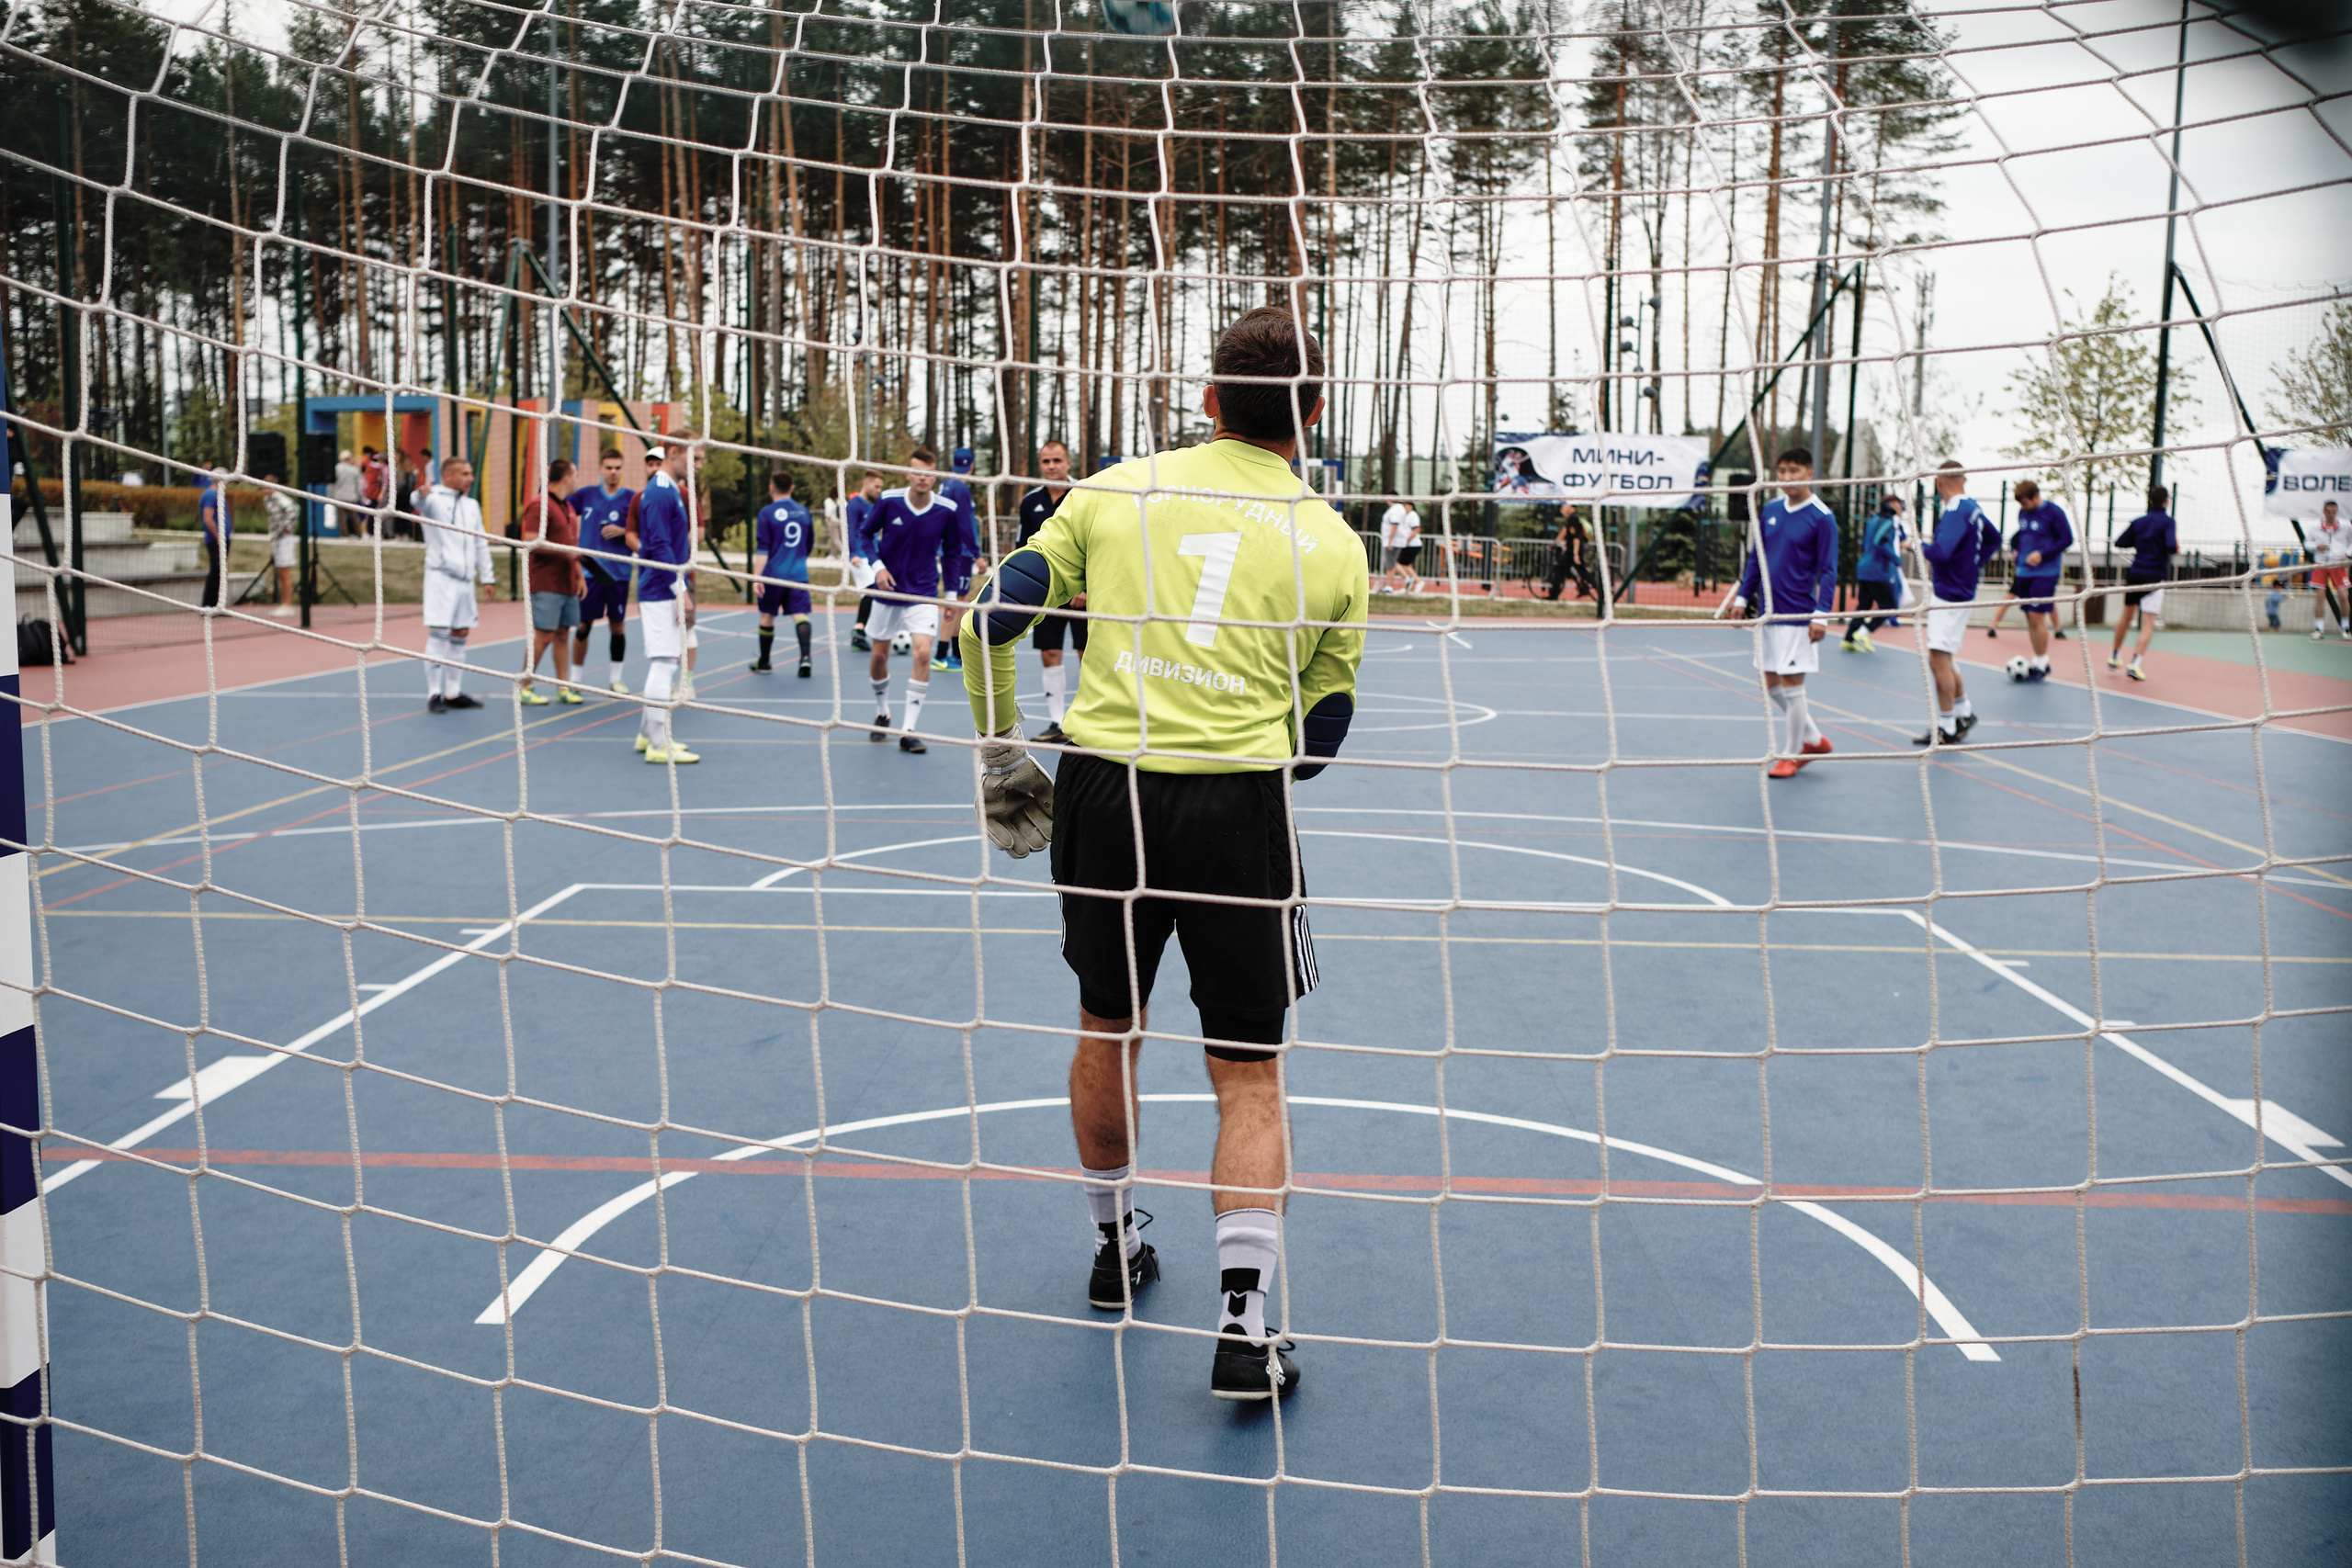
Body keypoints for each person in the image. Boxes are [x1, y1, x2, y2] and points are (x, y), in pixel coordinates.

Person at [961, 303, 1367, 1403]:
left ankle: (1114, 1249)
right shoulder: (1332, 540)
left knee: (1107, 1025)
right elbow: (1322, 739)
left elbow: (981, 623)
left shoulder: (1111, 490)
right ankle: (1243, 1330)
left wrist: (1007, 764)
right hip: (1237, 808)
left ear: (1205, 403)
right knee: (1249, 1072)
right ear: (1314, 413)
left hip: (1103, 792)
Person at [1721, 447, 1838, 777]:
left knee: (1791, 684)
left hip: (1797, 614)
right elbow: (1756, 557)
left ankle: (1791, 753)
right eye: (1782, 471)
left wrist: (1821, 614)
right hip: (1767, 614)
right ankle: (1813, 739)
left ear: (1809, 474)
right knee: (1771, 684)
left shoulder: (1822, 517)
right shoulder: (1771, 510)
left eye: (1795, 471)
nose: (1787, 478)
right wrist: (1742, 598)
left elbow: (1829, 570)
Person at [858, 448, 970, 755]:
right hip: (888, 590)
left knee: (923, 654)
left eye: (929, 473)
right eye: (918, 472)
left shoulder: (946, 509)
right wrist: (877, 568)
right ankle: (883, 712)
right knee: (879, 656)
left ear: (935, 476)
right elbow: (864, 535)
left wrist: (949, 597)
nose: (923, 478)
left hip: (922, 592)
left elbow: (952, 553)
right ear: (908, 473)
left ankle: (908, 730)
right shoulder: (889, 501)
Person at [1914, 461, 2001, 743]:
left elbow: (1941, 551)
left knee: (1938, 658)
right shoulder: (1973, 507)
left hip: (1949, 593)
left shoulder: (1954, 509)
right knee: (1944, 656)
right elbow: (1994, 539)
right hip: (1961, 589)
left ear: (1939, 482)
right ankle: (1963, 710)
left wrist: (1915, 546)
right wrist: (1974, 564)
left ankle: (1948, 726)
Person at [631, 438, 700, 763]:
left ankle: (647, 736)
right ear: (674, 453)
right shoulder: (659, 490)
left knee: (669, 659)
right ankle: (659, 744)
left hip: (664, 587)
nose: (698, 464)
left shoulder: (670, 488)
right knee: (664, 662)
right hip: (659, 589)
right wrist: (679, 590)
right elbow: (658, 544)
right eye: (694, 457)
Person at [1014, 440, 1083, 742]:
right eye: (1046, 461)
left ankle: (1083, 723)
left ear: (1069, 463)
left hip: (1084, 597)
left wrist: (1087, 587)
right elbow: (1024, 548)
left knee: (1089, 656)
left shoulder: (1087, 494)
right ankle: (1057, 723)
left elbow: (1100, 545)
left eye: (1057, 460)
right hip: (1048, 595)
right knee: (1050, 654)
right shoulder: (1030, 502)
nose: (1051, 466)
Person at [417, 457, 494, 712]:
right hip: (441, 578)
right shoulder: (434, 500)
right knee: (439, 633)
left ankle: (452, 692)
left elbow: (480, 542)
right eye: (464, 473)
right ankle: (433, 693)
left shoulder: (472, 505)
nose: (470, 478)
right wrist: (421, 494)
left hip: (464, 581)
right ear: (447, 475)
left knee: (461, 632)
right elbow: (418, 502)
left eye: (470, 473)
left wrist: (487, 576)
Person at [517, 460, 585, 706]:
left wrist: (578, 574)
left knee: (562, 634)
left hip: (566, 582)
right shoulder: (539, 504)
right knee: (544, 634)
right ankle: (524, 685)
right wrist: (566, 553)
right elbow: (529, 539)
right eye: (576, 474)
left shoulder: (566, 507)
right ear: (566, 476)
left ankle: (563, 687)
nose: (578, 479)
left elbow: (570, 545)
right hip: (546, 581)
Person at [571, 446, 636, 694]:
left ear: (622, 470)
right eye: (608, 468)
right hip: (589, 573)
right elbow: (556, 508)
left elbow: (640, 531)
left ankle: (616, 679)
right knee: (583, 625)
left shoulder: (631, 499)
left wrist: (622, 531)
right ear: (601, 469)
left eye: (617, 468)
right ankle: (575, 679)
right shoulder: (586, 494)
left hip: (618, 574)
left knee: (617, 626)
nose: (613, 472)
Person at [2000, 479, 2072, 681]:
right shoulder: (2023, 513)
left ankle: (2041, 664)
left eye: (2025, 503)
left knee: (2037, 616)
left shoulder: (2054, 513)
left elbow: (2067, 539)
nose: (2023, 508)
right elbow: (2024, 535)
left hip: (2045, 573)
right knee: (2030, 617)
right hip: (2023, 572)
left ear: (2035, 496)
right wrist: (2016, 550)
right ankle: (2040, 661)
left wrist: (2042, 554)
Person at [750, 470, 814, 677]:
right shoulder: (804, 512)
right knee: (800, 615)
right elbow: (809, 543)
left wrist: (756, 576)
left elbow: (763, 548)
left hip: (773, 574)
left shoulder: (766, 513)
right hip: (797, 574)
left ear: (771, 487)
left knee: (767, 615)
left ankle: (765, 661)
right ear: (792, 488)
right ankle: (805, 658)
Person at [2108, 486, 2176, 681]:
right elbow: (2171, 545)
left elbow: (2120, 542)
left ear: (2151, 501)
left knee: (2126, 616)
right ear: (2166, 501)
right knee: (2148, 623)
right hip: (2154, 576)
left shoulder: (2139, 522)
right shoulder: (2168, 522)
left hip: (2135, 574)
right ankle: (2135, 663)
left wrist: (2141, 540)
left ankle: (2114, 656)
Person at [932, 447, 984, 676]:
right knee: (956, 601)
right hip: (959, 551)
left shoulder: (946, 483)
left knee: (961, 600)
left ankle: (954, 653)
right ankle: (941, 654)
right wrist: (977, 554)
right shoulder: (961, 488)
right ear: (971, 466)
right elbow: (964, 524)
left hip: (950, 549)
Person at [845, 469, 886, 652]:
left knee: (874, 593)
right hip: (858, 557)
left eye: (881, 487)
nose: (879, 490)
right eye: (876, 486)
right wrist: (852, 553)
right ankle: (859, 630)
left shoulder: (873, 505)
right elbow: (849, 530)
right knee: (872, 588)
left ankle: (862, 631)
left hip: (870, 555)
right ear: (866, 483)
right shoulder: (854, 505)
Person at [2310, 500, 2348, 640]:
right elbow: (2307, 543)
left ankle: (2346, 628)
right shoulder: (2315, 527)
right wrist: (2316, 546)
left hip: (2338, 565)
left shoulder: (2345, 526)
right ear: (2324, 512)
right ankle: (2319, 629)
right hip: (2320, 565)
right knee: (2320, 597)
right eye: (2329, 512)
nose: (2331, 515)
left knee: (2344, 597)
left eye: (2334, 512)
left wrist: (2348, 554)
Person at [265, 468, 300, 617]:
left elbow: (294, 509)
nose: (265, 489)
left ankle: (288, 604)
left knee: (285, 572)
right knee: (279, 572)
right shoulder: (267, 499)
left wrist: (287, 528)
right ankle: (283, 603)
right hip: (276, 538)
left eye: (268, 485)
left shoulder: (280, 498)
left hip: (284, 539)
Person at [198, 467, 231, 609]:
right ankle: (208, 606)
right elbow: (208, 519)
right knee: (216, 571)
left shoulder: (218, 494)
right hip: (216, 541)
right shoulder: (211, 495)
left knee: (220, 572)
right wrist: (219, 538)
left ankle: (217, 604)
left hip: (221, 540)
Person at [1540, 503, 1585, 601]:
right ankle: (1553, 595)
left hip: (1572, 552)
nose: (1562, 510)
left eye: (1563, 507)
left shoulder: (1573, 519)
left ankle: (1599, 592)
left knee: (1583, 573)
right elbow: (1565, 532)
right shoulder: (1570, 519)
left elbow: (1576, 538)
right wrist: (1557, 543)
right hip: (1571, 551)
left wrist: (1575, 554)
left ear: (1570, 507)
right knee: (1560, 572)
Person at [1378, 497, 1420, 593]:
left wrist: (1391, 541)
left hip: (1408, 543)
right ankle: (1409, 579)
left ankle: (1411, 580)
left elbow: (1396, 525)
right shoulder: (1402, 512)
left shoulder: (1403, 512)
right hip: (1402, 542)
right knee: (1398, 564)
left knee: (1397, 565)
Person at [330, 448, 365, 537]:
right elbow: (358, 485)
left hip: (339, 496)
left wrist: (330, 496)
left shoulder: (336, 469)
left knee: (342, 518)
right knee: (354, 517)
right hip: (351, 496)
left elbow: (332, 484)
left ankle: (345, 535)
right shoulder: (354, 470)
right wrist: (359, 496)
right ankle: (358, 534)